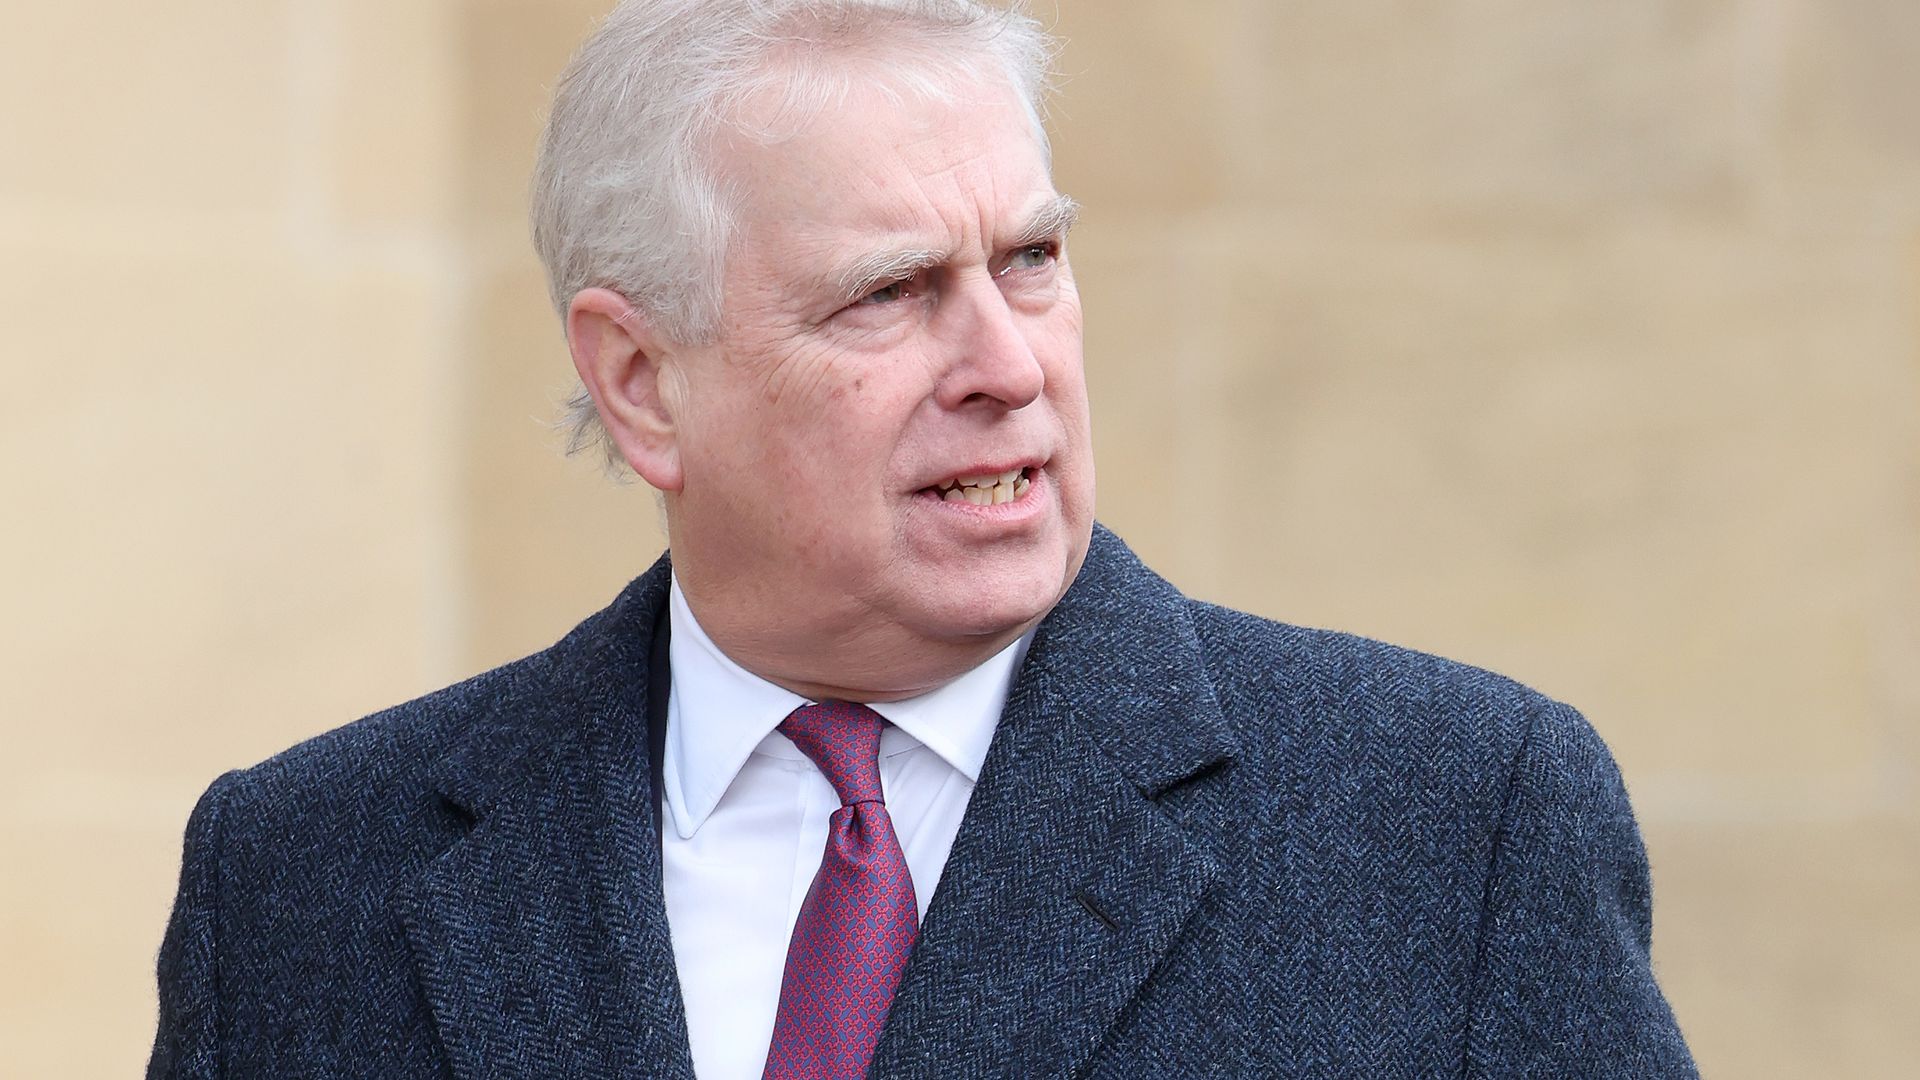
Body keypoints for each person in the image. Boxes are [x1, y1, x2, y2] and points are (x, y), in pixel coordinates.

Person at [147, 1, 1697, 1077]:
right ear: (641, 381)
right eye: (888, 293)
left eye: (1031, 260)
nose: (1009, 366)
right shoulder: (295, 875)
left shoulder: (1453, 819)